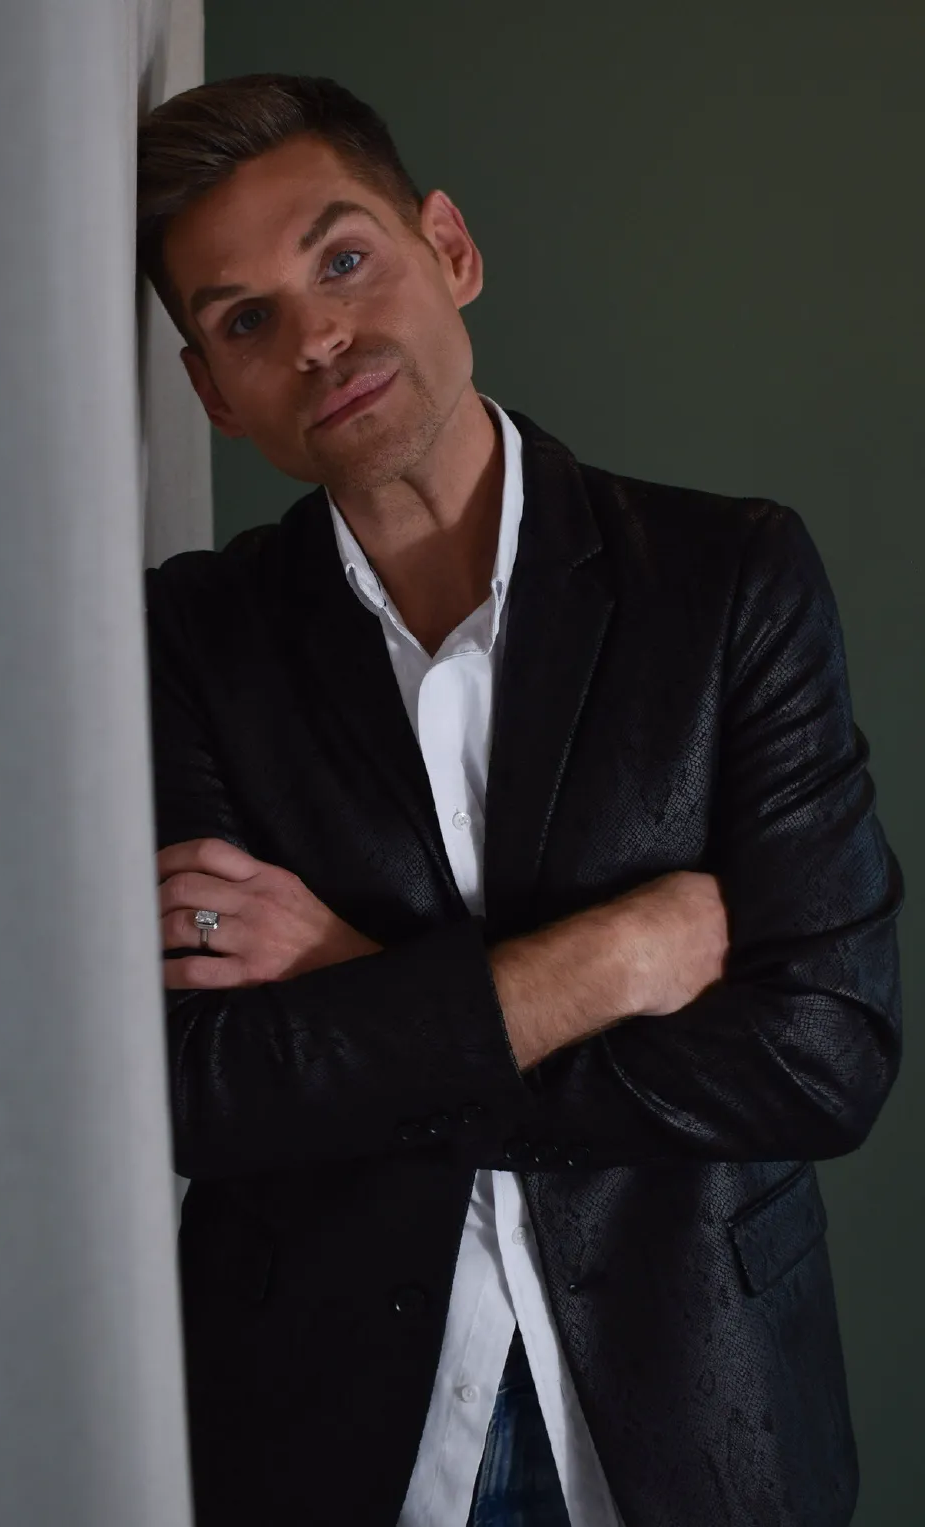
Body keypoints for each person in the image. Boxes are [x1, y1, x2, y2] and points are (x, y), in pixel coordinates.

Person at [136, 74, 902, 1527]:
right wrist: (602, 963)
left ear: (450, 249)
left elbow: (823, 1055)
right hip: (325, 1435)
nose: (316, 338)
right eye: (244, 321)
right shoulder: (187, 641)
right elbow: (201, 1092)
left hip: (699, 1409)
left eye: (343, 258)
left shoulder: (730, 582)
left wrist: (358, 986)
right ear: (212, 395)